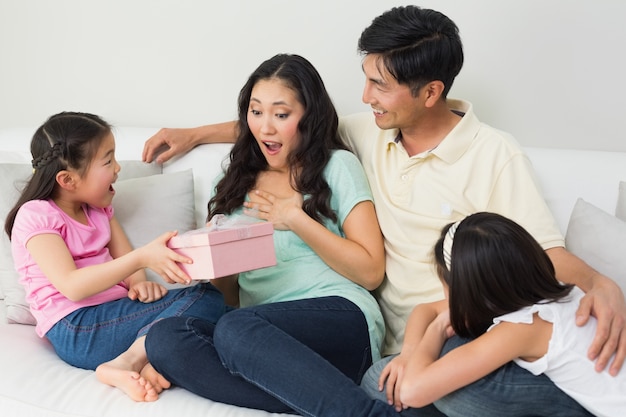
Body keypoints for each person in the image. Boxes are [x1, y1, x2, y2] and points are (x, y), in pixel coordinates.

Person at [142, 5, 626, 416]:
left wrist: (602, 283)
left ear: (430, 92)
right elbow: (287, 119)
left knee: (454, 393)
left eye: (380, 85)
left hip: (457, 329)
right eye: (366, 79)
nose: (366, 96)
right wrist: (195, 135)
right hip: (393, 351)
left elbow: (545, 252)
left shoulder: (494, 154)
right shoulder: (372, 130)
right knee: (172, 340)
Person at [143, 53, 397, 416]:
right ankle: (327, 398)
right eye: (256, 112)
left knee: (235, 329)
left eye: (281, 114)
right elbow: (229, 297)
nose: (265, 128)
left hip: (341, 317)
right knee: (166, 339)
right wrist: (213, 263)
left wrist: (295, 218)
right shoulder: (230, 184)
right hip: (264, 343)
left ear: (308, 117)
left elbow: (371, 271)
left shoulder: (337, 166)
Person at [4, 112, 227, 403]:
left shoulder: (99, 210)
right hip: (77, 328)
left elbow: (125, 255)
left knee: (226, 320)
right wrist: (142, 260)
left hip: (112, 314)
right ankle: (128, 361)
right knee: (205, 297)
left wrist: (138, 282)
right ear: (68, 179)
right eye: (108, 161)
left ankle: (154, 361)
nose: (118, 168)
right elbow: (72, 285)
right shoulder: (37, 215)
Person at [395, 212, 625, 417]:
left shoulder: (524, 326)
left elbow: (411, 391)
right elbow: (424, 309)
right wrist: (408, 354)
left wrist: (436, 328)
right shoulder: (558, 290)